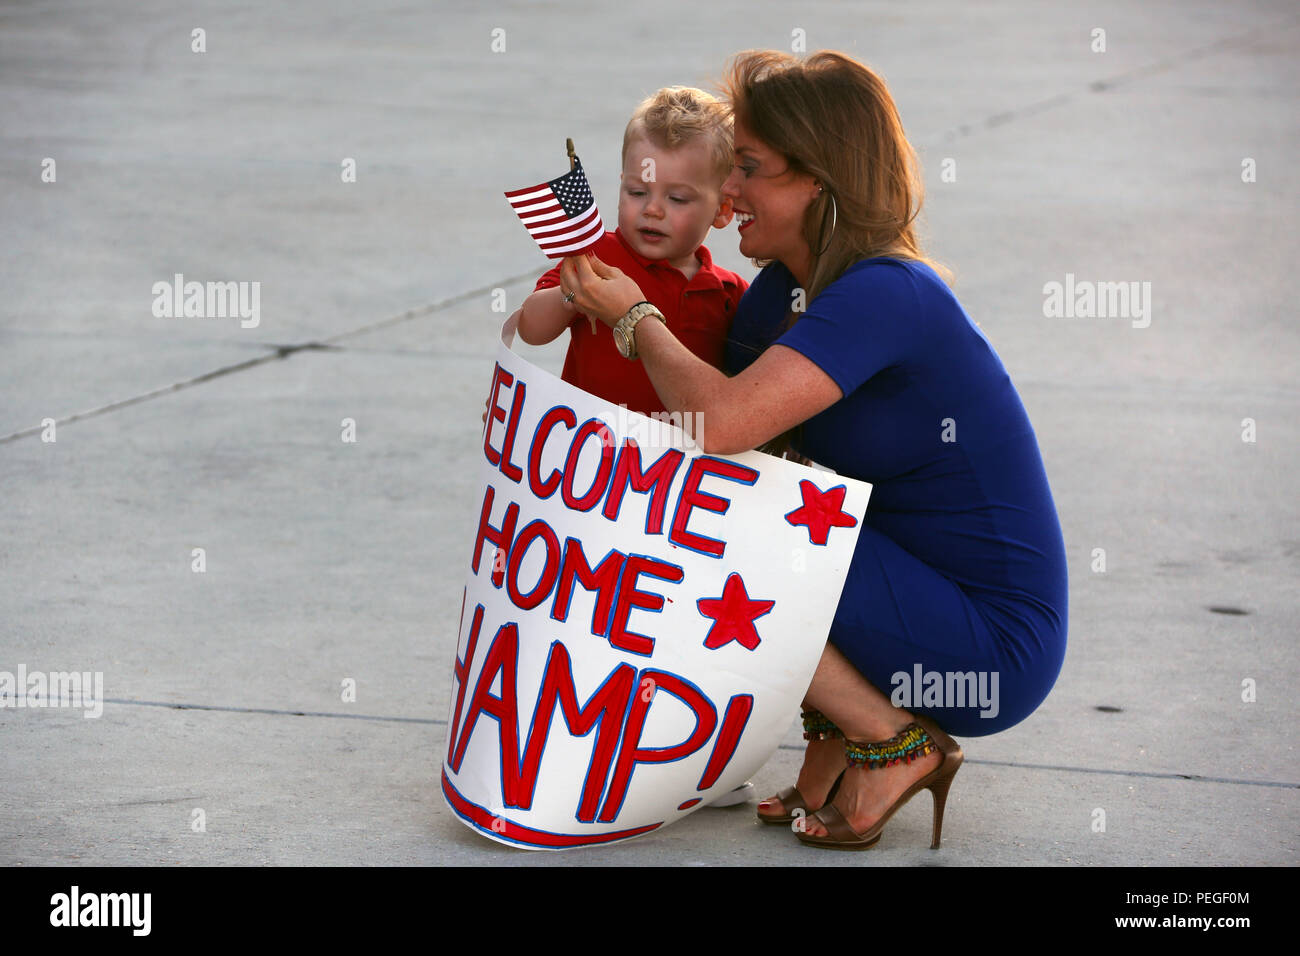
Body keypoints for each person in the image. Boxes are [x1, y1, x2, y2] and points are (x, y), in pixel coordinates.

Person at [559, 50, 1069, 850]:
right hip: (904, 590)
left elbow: (719, 426)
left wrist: (637, 319)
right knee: (716, 503)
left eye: (750, 169)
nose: (727, 193)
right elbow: (712, 445)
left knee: (729, 520)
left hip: (989, 640)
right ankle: (839, 737)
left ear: (819, 182)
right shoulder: (780, 298)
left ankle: (895, 744)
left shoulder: (886, 293)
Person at [513, 86, 747, 416]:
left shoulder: (729, 293)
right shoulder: (596, 258)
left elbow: (748, 390)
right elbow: (530, 329)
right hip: (593, 455)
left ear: (723, 210)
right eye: (637, 192)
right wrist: (570, 296)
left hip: (673, 465)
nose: (652, 209)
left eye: (677, 198)